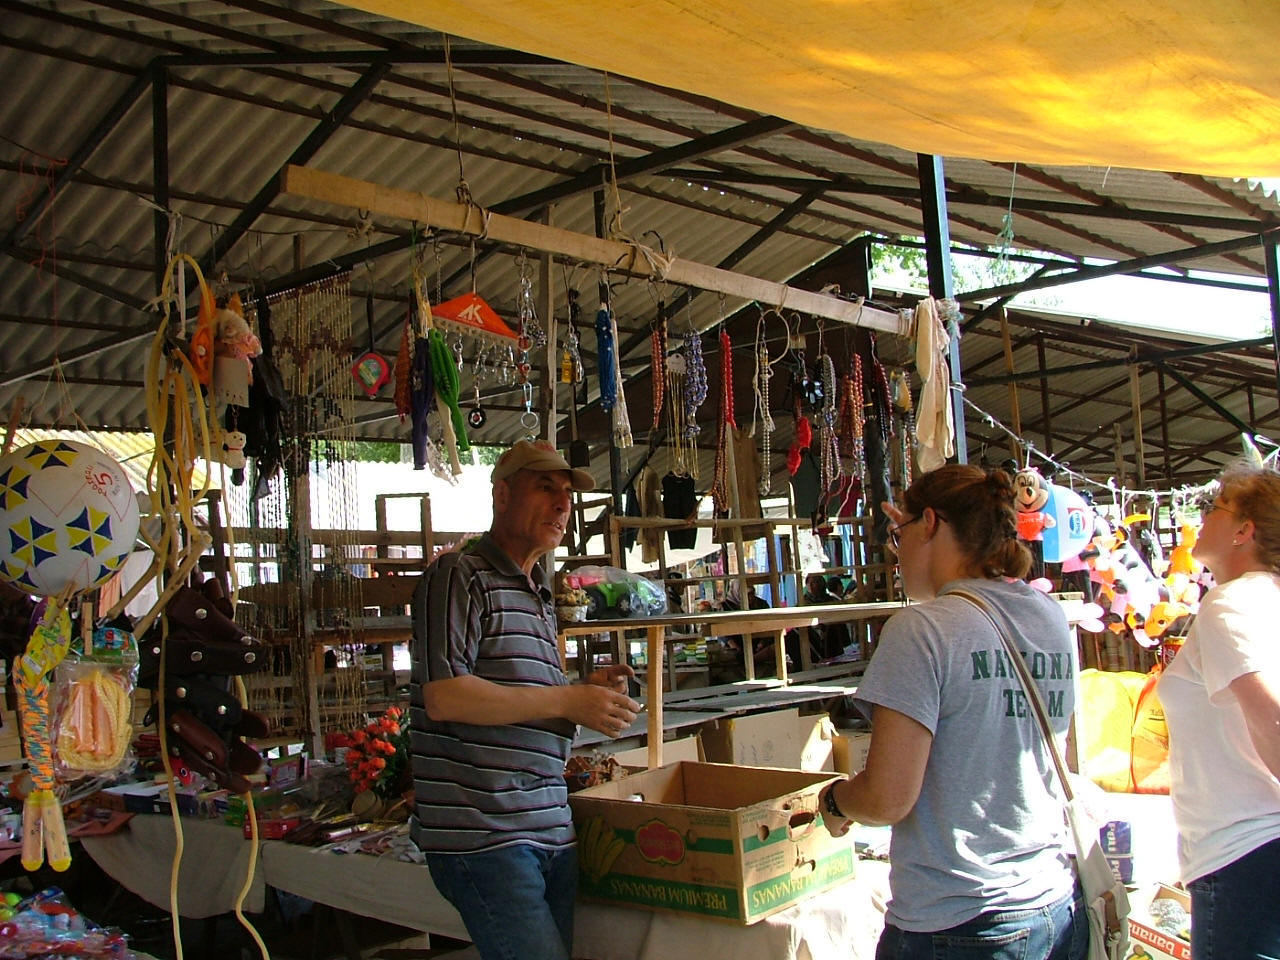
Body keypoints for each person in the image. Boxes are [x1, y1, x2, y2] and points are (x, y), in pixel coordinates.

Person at [818, 464, 1086, 960]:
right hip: (1052, 904)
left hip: (959, 920)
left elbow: (886, 799)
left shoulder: (921, 629)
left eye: (899, 537)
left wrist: (834, 802)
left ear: (932, 523)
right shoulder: (1048, 615)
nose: (896, 557)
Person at [408, 440, 640, 960]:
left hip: (548, 825)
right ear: (502, 494)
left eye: (567, 494)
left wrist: (586, 693)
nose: (562, 504)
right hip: (486, 834)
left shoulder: (537, 590)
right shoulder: (459, 575)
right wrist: (565, 701)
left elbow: (524, 695)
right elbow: (445, 696)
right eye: (545, 488)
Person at [1157, 462, 1280, 960]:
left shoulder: (1230, 605)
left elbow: (1271, 716)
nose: (1201, 519)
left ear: (1243, 531)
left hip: (1245, 854)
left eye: (1214, 508)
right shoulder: (1268, 598)